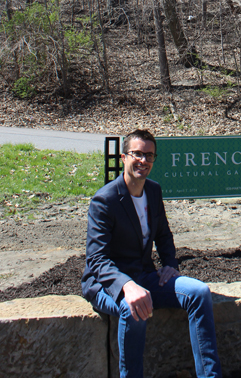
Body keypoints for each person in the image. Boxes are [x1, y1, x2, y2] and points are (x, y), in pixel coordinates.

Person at [82, 128, 222, 378]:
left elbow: (164, 235)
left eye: (149, 155)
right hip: (106, 285)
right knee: (132, 308)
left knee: (199, 293)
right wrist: (126, 286)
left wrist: (170, 264)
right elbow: (96, 260)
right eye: (137, 154)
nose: (143, 161)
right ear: (123, 158)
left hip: (144, 276)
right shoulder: (105, 201)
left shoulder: (153, 191)